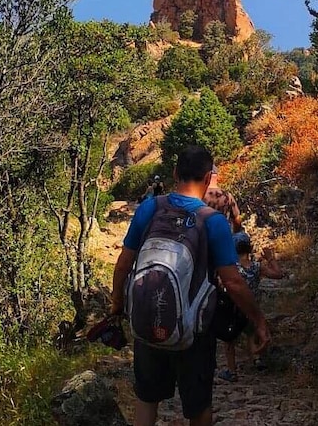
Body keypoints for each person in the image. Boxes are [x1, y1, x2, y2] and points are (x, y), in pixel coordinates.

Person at [110, 146, 270, 426]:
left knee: (146, 399)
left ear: (175, 173)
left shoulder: (150, 208)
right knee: (198, 407)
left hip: (148, 321)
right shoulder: (213, 222)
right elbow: (233, 281)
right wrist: (258, 321)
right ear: (208, 178)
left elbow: (124, 263)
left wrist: (117, 304)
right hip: (194, 331)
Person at [217, 232, 284, 382]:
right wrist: (270, 258)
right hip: (252, 308)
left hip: (234, 308)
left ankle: (232, 371)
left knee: (229, 340)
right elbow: (278, 274)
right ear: (250, 248)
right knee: (251, 334)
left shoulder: (231, 269)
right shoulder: (257, 267)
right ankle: (257, 359)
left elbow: (222, 285)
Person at [203, 165, 243, 233]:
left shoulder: (199, 195)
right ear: (217, 176)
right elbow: (237, 219)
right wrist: (235, 234)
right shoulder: (227, 196)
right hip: (222, 235)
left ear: (206, 176)